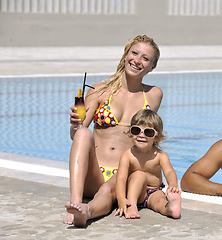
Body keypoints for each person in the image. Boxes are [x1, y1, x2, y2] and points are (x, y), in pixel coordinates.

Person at [63, 35, 163, 227]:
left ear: (152, 66)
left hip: (124, 171)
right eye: (134, 53)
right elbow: (76, 136)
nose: (137, 60)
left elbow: (149, 139)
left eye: (145, 58)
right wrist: (75, 125)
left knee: (108, 190)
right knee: (84, 133)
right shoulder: (100, 90)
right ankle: (76, 201)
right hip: (94, 174)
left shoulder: (153, 95)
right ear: (126, 55)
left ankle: (85, 212)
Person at [114, 109, 181, 219]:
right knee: (139, 174)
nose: (141, 135)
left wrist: (173, 185)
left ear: (156, 137)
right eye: (136, 130)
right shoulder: (128, 155)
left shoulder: (160, 156)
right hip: (135, 194)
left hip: (154, 191)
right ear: (131, 132)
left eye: (148, 132)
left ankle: (171, 209)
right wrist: (121, 198)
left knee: (160, 203)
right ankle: (132, 206)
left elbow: (169, 172)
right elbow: (121, 178)